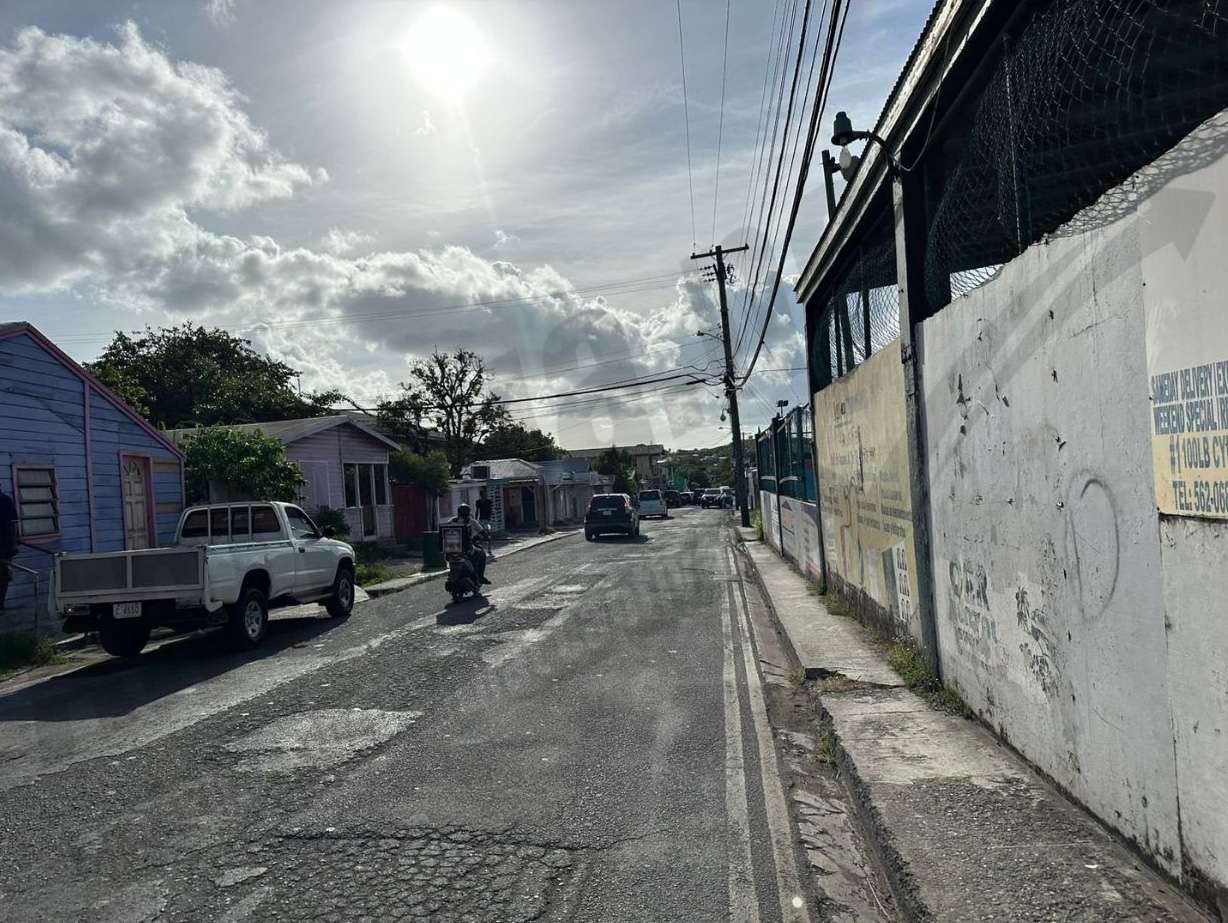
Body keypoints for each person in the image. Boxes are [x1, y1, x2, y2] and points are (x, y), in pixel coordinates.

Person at [449, 502, 491, 585]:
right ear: (468, 512)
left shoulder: (451, 521)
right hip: (467, 547)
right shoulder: (472, 522)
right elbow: (482, 532)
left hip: (452, 548)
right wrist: (486, 537)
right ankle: (481, 576)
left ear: (458, 512)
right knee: (482, 554)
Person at [0, 486, 17, 611]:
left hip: (3, 547)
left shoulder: (5, 501)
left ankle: (0, 605)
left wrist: (12, 545)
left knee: (3, 576)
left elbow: (12, 524)